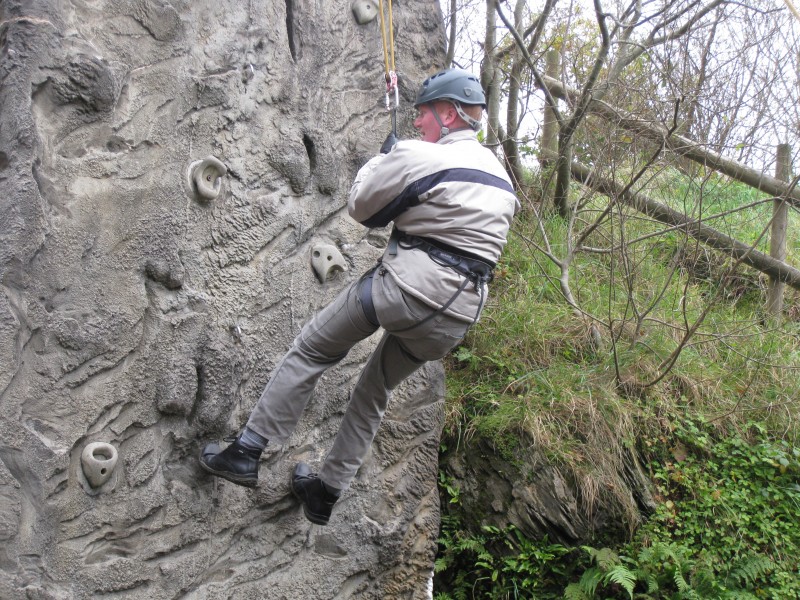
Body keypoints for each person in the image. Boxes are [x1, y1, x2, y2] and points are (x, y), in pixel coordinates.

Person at [199, 67, 519, 526]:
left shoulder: (420, 156)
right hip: (456, 316)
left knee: (312, 348)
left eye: (424, 116)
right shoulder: (501, 178)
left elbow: (362, 207)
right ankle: (324, 493)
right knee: (375, 389)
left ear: (449, 114)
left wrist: (382, 159)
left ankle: (248, 451)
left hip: (405, 290)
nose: (419, 125)